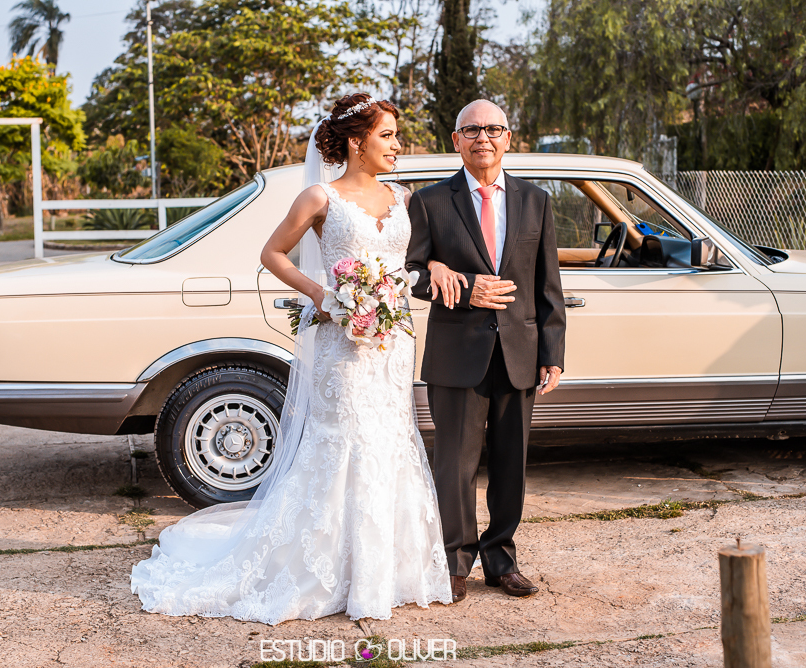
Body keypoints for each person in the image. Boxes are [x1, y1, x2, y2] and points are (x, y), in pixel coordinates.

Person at [130, 93, 451, 625]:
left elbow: (412, 256)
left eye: (396, 135)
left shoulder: (404, 196)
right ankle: (326, 571)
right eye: (388, 135)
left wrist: (430, 267)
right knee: (345, 442)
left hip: (393, 342)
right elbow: (272, 254)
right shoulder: (320, 198)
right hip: (341, 342)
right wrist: (325, 296)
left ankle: (385, 573)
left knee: (392, 438)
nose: (397, 145)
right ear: (357, 142)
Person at [405, 99, 567, 604]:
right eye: (472, 130)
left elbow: (548, 285)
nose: (484, 138)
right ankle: (454, 562)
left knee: (510, 462)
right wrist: (459, 284)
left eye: (494, 128)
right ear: (456, 140)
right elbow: (409, 275)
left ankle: (501, 559)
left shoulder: (535, 200)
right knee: (454, 463)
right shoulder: (430, 202)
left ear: (508, 137)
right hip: (457, 353)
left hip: (519, 351)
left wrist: (552, 351)